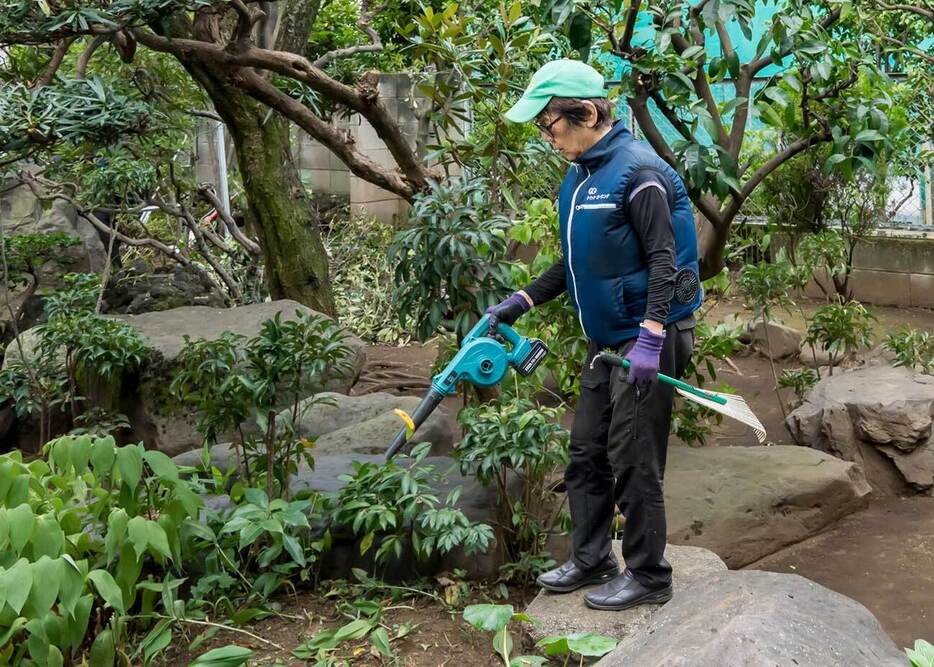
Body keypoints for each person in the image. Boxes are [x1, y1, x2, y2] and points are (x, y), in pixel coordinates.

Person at [485, 59, 702, 612]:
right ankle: (592, 558)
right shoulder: (580, 177)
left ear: (584, 113)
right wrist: (521, 300)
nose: (547, 136)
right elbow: (575, 263)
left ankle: (650, 575)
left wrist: (652, 337)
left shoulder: (640, 173)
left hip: (647, 337)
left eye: (549, 125)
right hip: (605, 341)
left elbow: (663, 261)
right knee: (585, 451)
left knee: (633, 455)